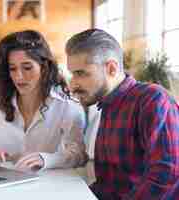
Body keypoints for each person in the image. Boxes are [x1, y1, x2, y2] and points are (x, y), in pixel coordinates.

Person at [65, 28, 179, 199]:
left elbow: (166, 174)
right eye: (72, 74)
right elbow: (109, 184)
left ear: (111, 68)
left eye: (81, 73)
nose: (72, 85)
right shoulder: (107, 104)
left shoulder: (152, 99)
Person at [0, 30, 88, 172]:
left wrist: (46, 159)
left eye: (27, 68)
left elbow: (78, 155)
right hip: (1, 183)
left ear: (44, 67)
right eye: (12, 69)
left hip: (47, 185)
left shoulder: (66, 105)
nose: (19, 76)